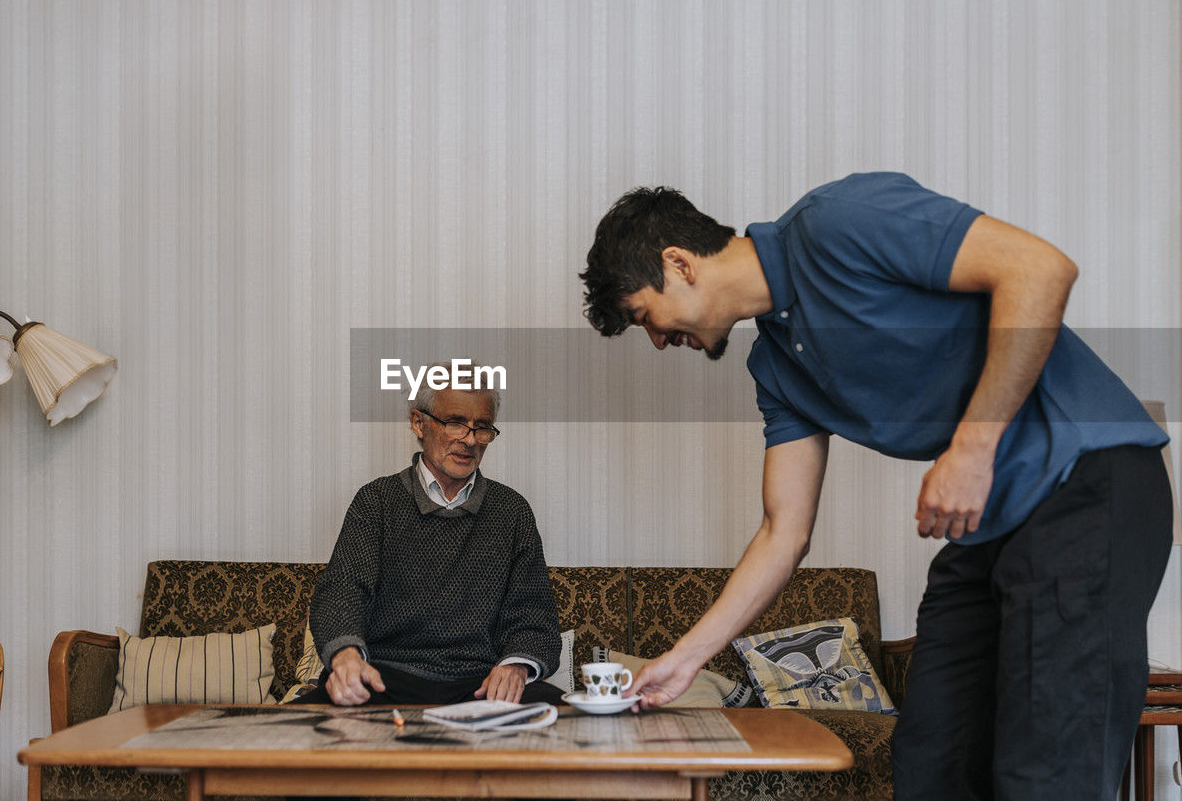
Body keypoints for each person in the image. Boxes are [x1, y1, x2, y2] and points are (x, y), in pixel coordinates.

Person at [579, 172, 1171, 799]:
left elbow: (1039, 268)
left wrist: (971, 447)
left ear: (678, 263)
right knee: (930, 759)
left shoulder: (838, 221)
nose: (658, 341)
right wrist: (686, 659)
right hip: (992, 518)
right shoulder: (776, 367)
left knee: (1045, 767)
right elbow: (785, 532)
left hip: (1087, 478)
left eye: (645, 316)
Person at [301, 364, 563, 707]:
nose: (469, 440)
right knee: (298, 729)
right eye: (455, 422)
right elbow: (342, 590)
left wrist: (516, 666)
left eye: (481, 428)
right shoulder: (377, 501)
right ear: (418, 423)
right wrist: (346, 656)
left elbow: (534, 614)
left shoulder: (511, 511)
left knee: (567, 716)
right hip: (385, 677)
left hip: (480, 682)